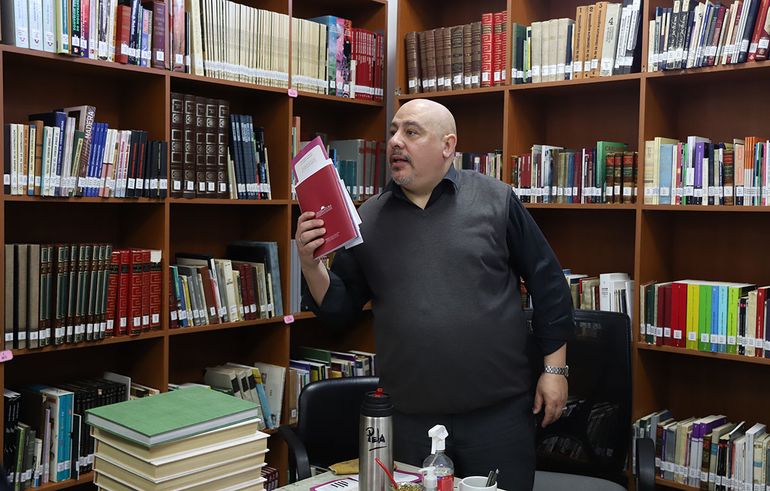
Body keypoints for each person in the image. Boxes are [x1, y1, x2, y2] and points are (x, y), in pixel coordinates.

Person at [295, 99, 575, 491]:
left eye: (411, 132)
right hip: (410, 419)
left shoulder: (496, 200)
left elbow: (549, 285)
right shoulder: (369, 217)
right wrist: (311, 266)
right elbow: (339, 310)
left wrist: (555, 370)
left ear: (447, 145)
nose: (396, 141)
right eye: (393, 131)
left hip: (498, 416)